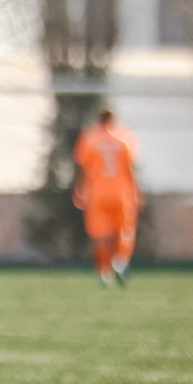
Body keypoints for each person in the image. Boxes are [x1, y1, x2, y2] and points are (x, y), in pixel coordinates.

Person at [73, 107, 141, 286]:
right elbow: (131, 168)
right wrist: (136, 192)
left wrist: (79, 190)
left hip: (97, 194)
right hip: (121, 194)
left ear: (99, 120)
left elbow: (83, 168)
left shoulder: (90, 137)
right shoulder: (124, 137)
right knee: (124, 231)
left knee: (100, 236)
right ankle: (119, 261)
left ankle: (104, 273)